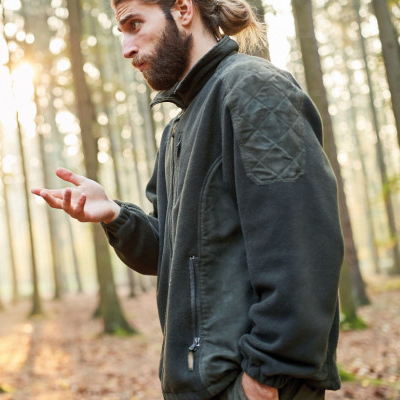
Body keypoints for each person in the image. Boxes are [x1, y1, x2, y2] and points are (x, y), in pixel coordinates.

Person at [32, 0, 343, 399]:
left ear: (182, 9)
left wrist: (264, 379)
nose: (126, 48)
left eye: (134, 24)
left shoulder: (253, 90)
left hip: (252, 385)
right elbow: (171, 253)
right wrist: (115, 215)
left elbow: (304, 251)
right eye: (121, 31)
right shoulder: (179, 128)